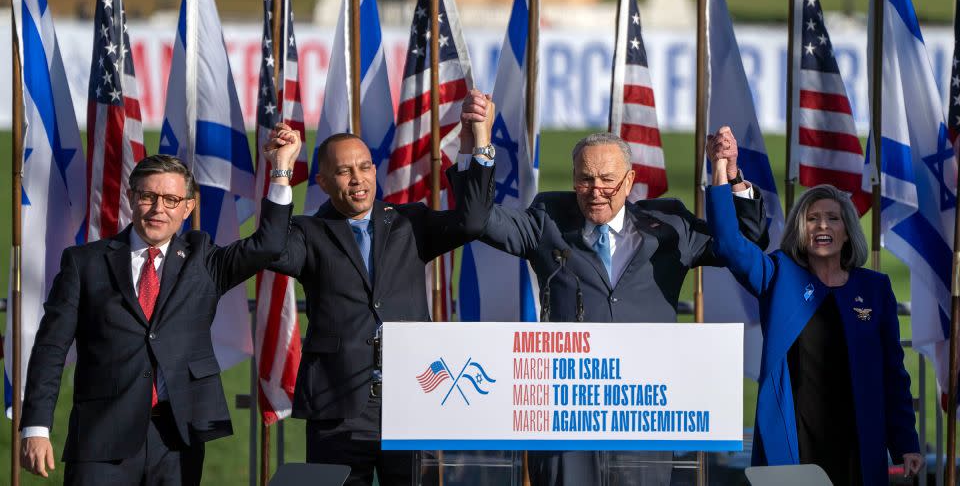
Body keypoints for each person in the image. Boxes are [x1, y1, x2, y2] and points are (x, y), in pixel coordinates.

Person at [459, 90, 768, 486]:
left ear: (630, 181)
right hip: (565, 424)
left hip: (645, 420)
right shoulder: (547, 220)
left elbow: (747, 245)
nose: (595, 189)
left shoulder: (669, 225)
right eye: (585, 179)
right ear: (572, 179)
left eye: (607, 179)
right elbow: (475, 221)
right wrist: (480, 143)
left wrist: (730, 176)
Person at [18, 127, 301, 486]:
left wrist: (280, 168)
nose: (158, 209)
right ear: (130, 197)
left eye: (170, 200)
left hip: (179, 438)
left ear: (188, 207)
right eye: (148, 197)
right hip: (101, 437)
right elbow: (51, 347)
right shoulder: (84, 263)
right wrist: (36, 426)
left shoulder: (204, 261)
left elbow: (269, 245)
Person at [267, 116, 495, 486]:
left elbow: (473, 223)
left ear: (375, 170)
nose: (357, 179)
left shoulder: (410, 221)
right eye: (343, 172)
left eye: (364, 167)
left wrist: (478, 146)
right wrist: (281, 171)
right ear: (323, 182)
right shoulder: (307, 233)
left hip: (411, 396)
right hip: (337, 404)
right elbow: (270, 249)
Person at [706, 152, 923, 484]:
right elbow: (728, 245)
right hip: (795, 442)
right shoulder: (778, 275)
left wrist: (906, 442)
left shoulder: (875, 288)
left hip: (858, 445)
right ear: (801, 230)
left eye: (833, 219)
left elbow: (893, 373)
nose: (823, 225)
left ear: (847, 231)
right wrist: (721, 172)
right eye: (812, 218)